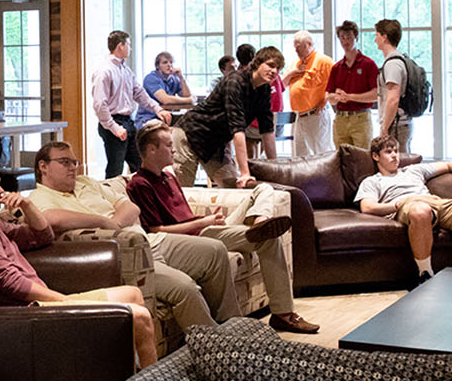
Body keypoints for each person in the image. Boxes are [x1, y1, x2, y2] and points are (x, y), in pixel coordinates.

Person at [0, 159, 157, 368]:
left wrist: (27, 204)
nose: (1, 191)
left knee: (133, 294)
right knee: (139, 316)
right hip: (28, 314)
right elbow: (10, 282)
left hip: (41, 305)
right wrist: (64, 301)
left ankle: (127, 377)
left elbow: (43, 236)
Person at [127, 123, 318, 333]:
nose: (174, 149)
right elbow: (155, 230)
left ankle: (260, 221)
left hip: (207, 227)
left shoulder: (170, 177)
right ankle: (283, 314)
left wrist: (210, 219)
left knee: (263, 189)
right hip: (197, 235)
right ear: (151, 149)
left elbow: (184, 213)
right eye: (168, 145)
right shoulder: (139, 184)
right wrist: (203, 223)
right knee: (269, 239)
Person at [26, 141, 228, 328]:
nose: (72, 167)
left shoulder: (86, 182)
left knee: (215, 250)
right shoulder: (38, 196)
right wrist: (103, 221)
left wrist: (113, 223)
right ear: (43, 167)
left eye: (74, 162)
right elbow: (52, 219)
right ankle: (215, 348)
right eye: (64, 162)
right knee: (185, 287)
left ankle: (230, 325)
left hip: (150, 240)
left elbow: (131, 208)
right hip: (127, 258)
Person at [355, 135, 452, 285]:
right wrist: (396, 205)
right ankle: (426, 276)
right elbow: (367, 207)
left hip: (436, 202)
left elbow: (449, 164)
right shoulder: (372, 181)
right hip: (408, 205)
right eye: (388, 152)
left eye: (396, 151)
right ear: (375, 156)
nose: (394, 155)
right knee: (421, 210)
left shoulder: (412, 170)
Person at [172, 45, 283, 188]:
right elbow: (238, 130)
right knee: (182, 192)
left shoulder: (264, 89)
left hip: (216, 144)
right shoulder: (235, 81)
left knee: (233, 186)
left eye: (278, 68)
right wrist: (245, 173)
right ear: (257, 62)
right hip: (190, 135)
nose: (274, 71)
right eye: (271, 65)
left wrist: (276, 172)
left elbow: (267, 130)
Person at [90, 30, 172, 178]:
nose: (130, 48)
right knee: (115, 169)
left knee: (140, 164)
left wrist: (157, 109)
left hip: (128, 122)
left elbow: (139, 93)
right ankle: (112, 199)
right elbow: (99, 104)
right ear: (120, 46)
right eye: (128, 44)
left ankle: (140, 195)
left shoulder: (125, 70)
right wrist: (114, 128)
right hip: (113, 124)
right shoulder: (105, 71)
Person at [339, 19, 412, 152]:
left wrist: (384, 128)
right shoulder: (397, 61)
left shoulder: (392, 64)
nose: (375, 40)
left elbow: (393, 99)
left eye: (377, 35)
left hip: (395, 126)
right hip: (397, 124)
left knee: (398, 166)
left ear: (384, 37)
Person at [326, 20, 379, 150]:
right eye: (342, 38)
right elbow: (329, 97)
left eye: (349, 37)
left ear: (356, 38)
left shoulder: (368, 64)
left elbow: (375, 95)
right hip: (340, 119)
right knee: (341, 158)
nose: (345, 41)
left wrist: (349, 97)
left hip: (361, 118)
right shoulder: (336, 68)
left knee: (363, 158)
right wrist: (336, 97)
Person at [284, 30, 336, 157]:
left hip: (316, 114)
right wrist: (293, 73)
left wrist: (325, 100)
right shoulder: (296, 64)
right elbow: (281, 84)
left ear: (309, 44)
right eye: (295, 47)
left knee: (321, 153)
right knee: (300, 155)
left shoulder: (324, 61)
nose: (296, 50)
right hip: (299, 116)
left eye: (298, 47)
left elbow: (336, 83)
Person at [135, 52, 193, 129]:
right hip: (149, 118)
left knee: (190, 124)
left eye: (171, 62)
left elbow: (186, 95)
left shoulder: (174, 79)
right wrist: (189, 100)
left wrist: (181, 77)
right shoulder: (151, 78)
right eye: (165, 62)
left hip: (166, 117)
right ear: (157, 66)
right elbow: (165, 99)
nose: (169, 65)